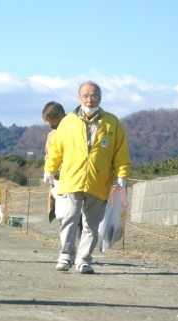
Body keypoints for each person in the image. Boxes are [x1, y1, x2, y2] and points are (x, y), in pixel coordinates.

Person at [44, 81, 130, 274]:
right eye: (86, 95)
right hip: (71, 179)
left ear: (100, 97)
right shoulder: (68, 122)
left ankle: (84, 259)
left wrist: (122, 174)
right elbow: (56, 149)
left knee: (92, 224)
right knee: (69, 219)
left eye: (93, 95)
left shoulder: (112, 122)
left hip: (98, 181)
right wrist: (50, 169)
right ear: (79, 98)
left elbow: (121, 152)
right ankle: (66, 255)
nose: (89, 99)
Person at [41, 101, 66, 223]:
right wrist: (48, 171)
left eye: (51, 120)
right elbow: (48, 156)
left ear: (60, 115)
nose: (50, 124)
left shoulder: (74, 130)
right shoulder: (51, 135)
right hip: (56, 179)